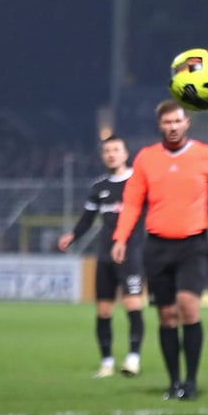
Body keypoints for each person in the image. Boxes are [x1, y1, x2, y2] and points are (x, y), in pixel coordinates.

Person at [111, 100, 208, 401]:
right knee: (167, 316)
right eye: (167, 122)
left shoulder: (206, 156)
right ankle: (174, 383)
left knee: (188, 307)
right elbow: (132, 203)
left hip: (192, 244)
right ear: (160, 126)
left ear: (187, 123)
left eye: (177, 121)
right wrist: (120, 237)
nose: (172, 127)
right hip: (157, 246)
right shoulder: (146, 159)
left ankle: (192, 382)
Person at [58, 136, 145, 378]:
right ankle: (106, 362)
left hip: (132, 254)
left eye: (116, 149)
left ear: (126, 153)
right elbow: (87, 220)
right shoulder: (99, 187)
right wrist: (72, 236)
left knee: (133, 305)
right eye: (107, 150)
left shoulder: (138, 183)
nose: (111, 154)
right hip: (105, 256)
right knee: (104, 311)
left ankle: (133, 358)